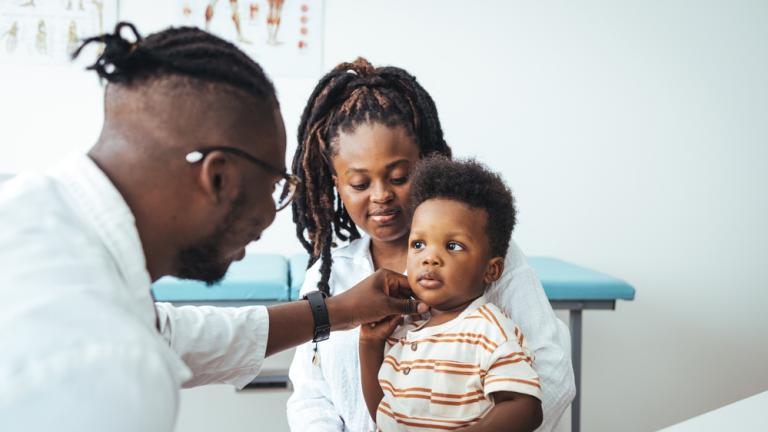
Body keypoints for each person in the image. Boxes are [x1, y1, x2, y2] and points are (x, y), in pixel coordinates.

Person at [0, 23, 425, 432]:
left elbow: (172, 335)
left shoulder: (32, 218)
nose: (272, 212)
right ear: (218, 177)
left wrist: (337, 312)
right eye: (276, 186)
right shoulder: (111, 363)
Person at [287, 58, 575, 431]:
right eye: (360, 184)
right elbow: (311, 397)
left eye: (399, 177)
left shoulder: (482, 257)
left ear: (426, 163)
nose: (381, 196)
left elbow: (550, 372)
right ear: (335, 185)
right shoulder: (328, 278)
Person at [360, 156, 542, 431]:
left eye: (453, 246)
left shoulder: (488, 331)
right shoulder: (404, 330)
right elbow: (383, 414)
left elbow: (525, 407)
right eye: (419, 243)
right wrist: (369, 345)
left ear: (491, 270)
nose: (430, 258)